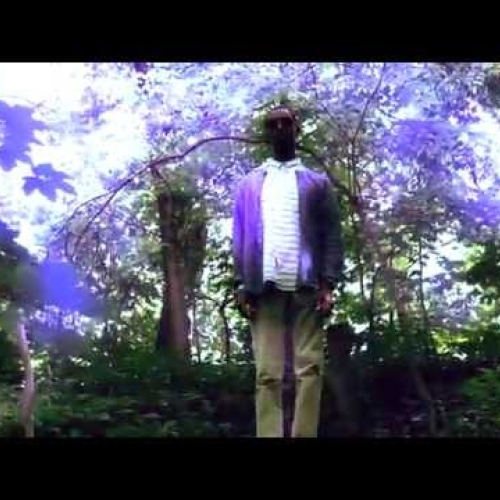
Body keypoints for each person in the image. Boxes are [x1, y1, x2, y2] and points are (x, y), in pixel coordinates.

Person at [232, 104, 344, 437]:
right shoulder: (249, 184)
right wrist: (240, 285)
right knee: (267, 374)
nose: (280, 129)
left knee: (309, 370)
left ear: (297, 128)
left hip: (307, 286)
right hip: (262, 287)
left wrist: (328, 283)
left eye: (286, 123)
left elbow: (332, 235)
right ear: (267, 133)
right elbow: (240, 236)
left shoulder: (317, 183)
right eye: (273, 124)